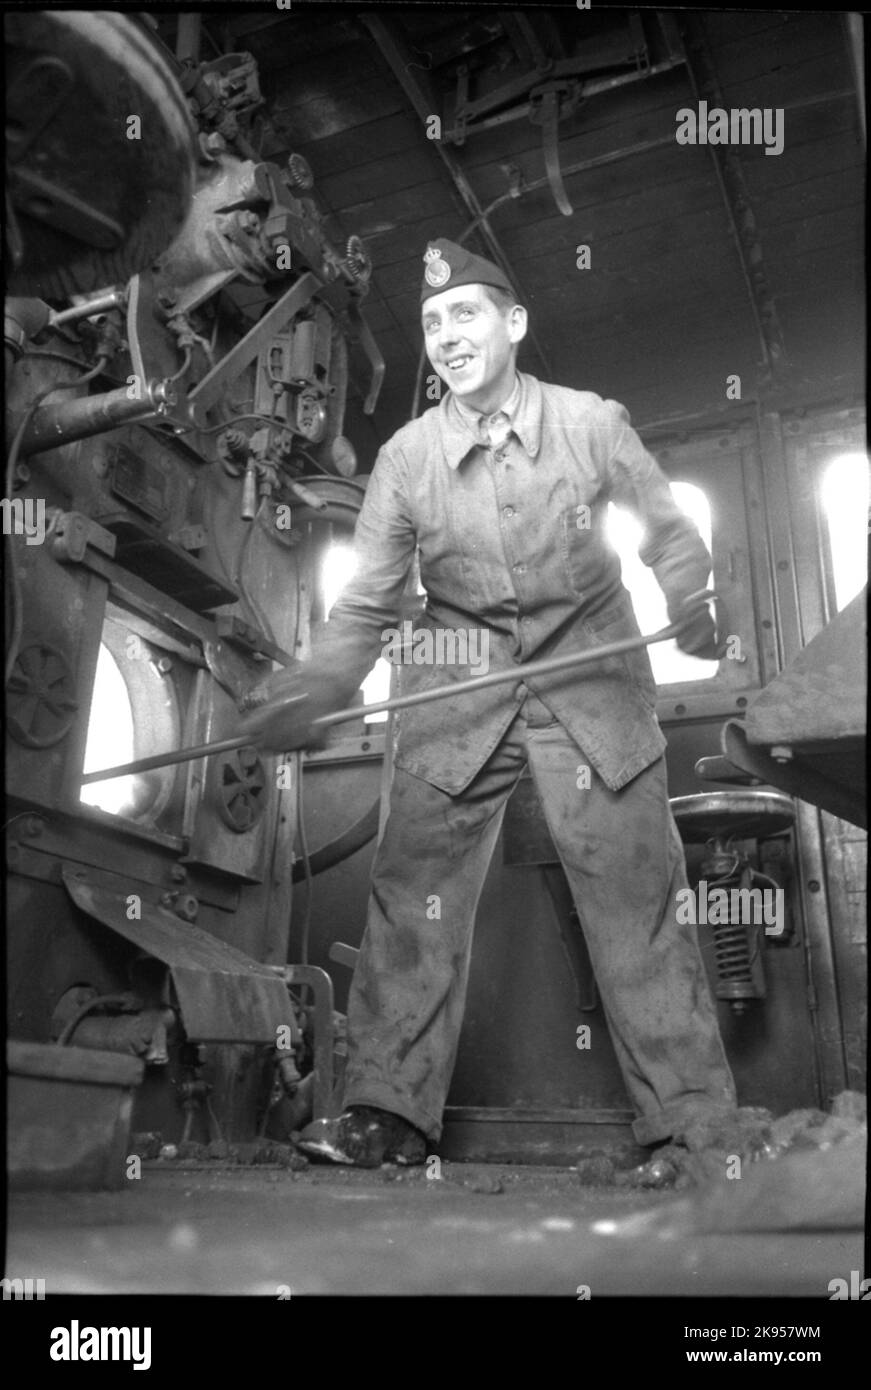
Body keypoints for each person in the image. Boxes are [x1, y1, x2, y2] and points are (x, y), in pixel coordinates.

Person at [240, 237, 738, 1167]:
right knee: (411, 897)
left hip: (589, 673)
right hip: (457, 683)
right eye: (431, 323)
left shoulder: (591, 423)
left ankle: (693, 1130)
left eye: (463, 314)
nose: (445, 336)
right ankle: (384, 1119)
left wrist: (691, 599)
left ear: (513, 323)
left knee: (634, 898)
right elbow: (368, 602)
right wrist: (316, 688)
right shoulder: (406, 459)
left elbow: (667, 527)